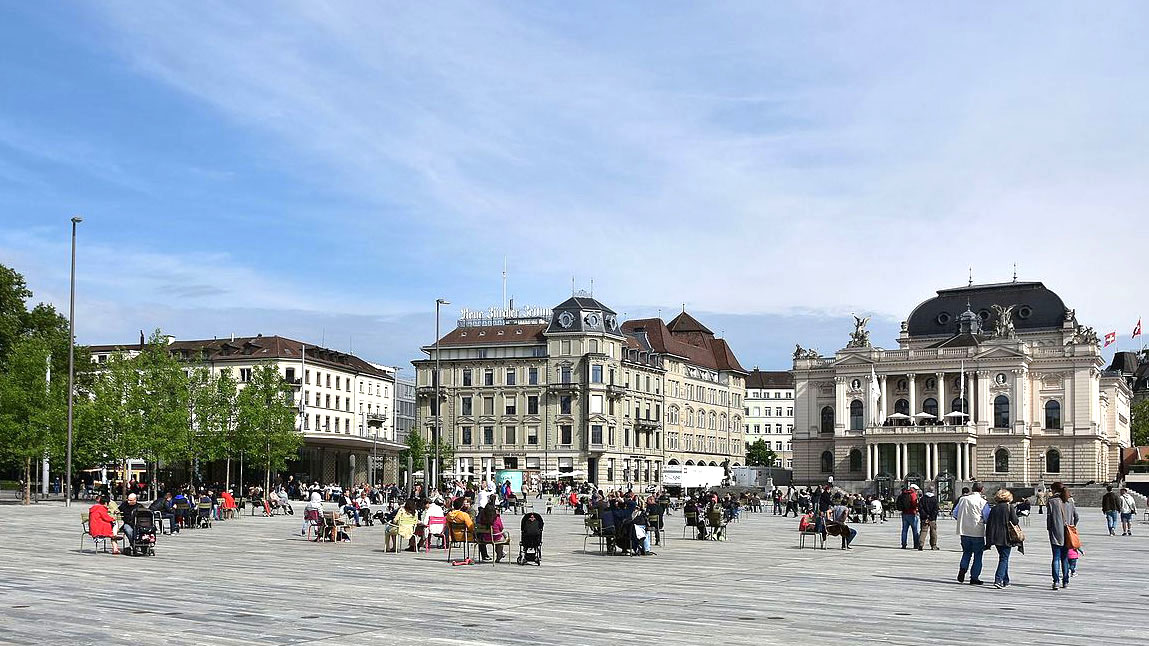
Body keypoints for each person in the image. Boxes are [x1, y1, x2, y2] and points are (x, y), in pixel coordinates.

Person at [984, 488, 1020, 589]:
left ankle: (1006, 580)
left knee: (1004, 557)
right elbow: (1015, 521)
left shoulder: (994, 508)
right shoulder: (1009, 507)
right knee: (1004, 559)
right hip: (1006, 537)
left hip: (996, 537)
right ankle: (998, 579)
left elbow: (990, 523)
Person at [952, 483, 988, 585]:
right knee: (978, 555)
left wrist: (964, 520)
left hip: (964, 531)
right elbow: (986, 517)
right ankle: (974, 577)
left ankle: (963, 569)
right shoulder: (983, 502)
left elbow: (955, 513)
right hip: (977, 531)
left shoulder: (963, 499)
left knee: (966, 552)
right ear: (982, 490)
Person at [1046, 481, 1079, 590]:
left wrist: (1050, 529)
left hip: (1056, 533)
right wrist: (1071, 526)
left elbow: (1049, 519)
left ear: (1054, 490)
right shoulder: (1070, 501)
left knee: (1056, 558)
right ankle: (1066, 581)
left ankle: (1056, 581)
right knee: (1064, 558)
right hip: (1068, 533)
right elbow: (1076, 517)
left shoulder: (1052, 501)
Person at [897, 484, 921, 550]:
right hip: (912, 514)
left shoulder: (904, 493)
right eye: (916, 490)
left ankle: (903, 544)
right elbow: (914, 504)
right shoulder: (913, 494)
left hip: (904, 514)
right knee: (915, 530)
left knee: (904, 530)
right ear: (913, 489)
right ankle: (916, 545)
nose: (916, 491)